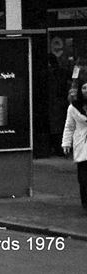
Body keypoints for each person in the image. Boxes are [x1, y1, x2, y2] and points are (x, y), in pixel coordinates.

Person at [62, 77, 87, 212]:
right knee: (83, 178)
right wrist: (66, 143)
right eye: (84, 88)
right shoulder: (73, 107)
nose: (86, 91)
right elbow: (69, 126)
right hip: (82, 143)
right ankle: (85, 202)